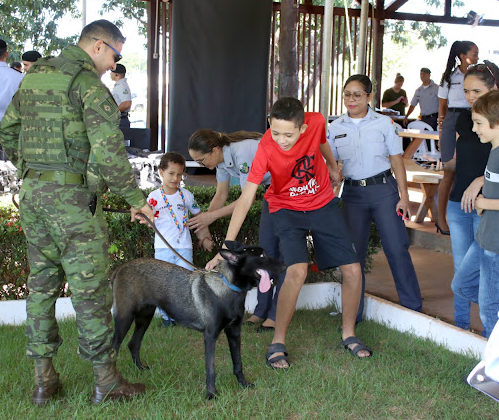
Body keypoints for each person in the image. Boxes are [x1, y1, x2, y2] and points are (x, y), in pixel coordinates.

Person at [0, 19, 154, 406]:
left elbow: (7, 132)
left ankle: (44, 380)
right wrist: (136, 200)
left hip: (33, 196)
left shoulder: (34, 78)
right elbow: (109, 152)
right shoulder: (87, 86)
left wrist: (33, 172)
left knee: (42, 286)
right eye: (115, 55)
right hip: (73, 203)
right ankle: (106, 381)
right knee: (90, 292)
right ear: (99, 46)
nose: (113, 64)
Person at [205, 97, 372, 369]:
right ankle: (277, 342)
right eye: (275, 131)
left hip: (322, 204)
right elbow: (247, 198)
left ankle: (349, 334)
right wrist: (227, 246)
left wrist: (331, 165)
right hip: (284, 208)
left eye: (288, 134)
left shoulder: (315, 121)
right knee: (296, 270)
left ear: (302, 128)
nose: (281, 140)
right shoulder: (266, 148)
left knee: (352, 269)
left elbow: (321, 141)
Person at [328, 74, 422, 320]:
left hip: (383, 191)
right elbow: (331, 164)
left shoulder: (383, 124)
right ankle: (353, 313)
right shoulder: (335, 127)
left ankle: (413, 310)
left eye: (357, 95)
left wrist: (404, 197)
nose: (351, 100)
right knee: (353, 256)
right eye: (347, 94)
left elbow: (396, 161)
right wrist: (333, 177)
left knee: (396, 248)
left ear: (369, 96)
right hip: (352, 195)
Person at [447, 61, 499, 331]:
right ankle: (467, 327)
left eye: (476, 91)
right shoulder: (475, 130)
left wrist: (481, 193)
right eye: (465, 90)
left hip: (493, 223)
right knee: (462, 277)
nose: (469, 97)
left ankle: (495, 338)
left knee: (489, 292)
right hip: (471, 217)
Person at [187, 128, 283, 332]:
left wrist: (223, 243)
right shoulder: (221, 159)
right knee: (266, 253)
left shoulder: (242, 151)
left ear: (214, 150)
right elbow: (220, 196)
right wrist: (204, 226)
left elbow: (247, 199)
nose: (201, 165)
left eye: (202, 160)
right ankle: (261, 310)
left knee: (280, 258)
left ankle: (276, 314)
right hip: (271, 194)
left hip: (286, 193)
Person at [147, 151, 212, 326]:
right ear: (161, 172)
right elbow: (146, 219)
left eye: (179, 174)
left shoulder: (187, 195)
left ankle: (186, 316)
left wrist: (205, 237)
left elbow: (200, 219)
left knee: (186, 283)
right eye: (171, 173)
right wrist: (146, 221)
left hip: (184, 247)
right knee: (164, 284)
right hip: (163, 248)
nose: (175, 178)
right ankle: (167, 318)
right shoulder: (153, 197)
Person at [435, 40, 479, 235]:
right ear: (463, 56)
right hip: (453, 120)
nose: (477, 57)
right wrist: (441, 130)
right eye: (474, 54)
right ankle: (441, 220)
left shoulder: (478, 76)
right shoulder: (449, 78)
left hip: (474, 119)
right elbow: (442, 107)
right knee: (449, 171)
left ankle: (469, 219)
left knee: (472, 170)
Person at [109, 63, 131, 129]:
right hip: (118, 119)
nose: (110, 74)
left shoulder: (122, 86)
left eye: (111, 72)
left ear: (116, 74)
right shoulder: (118, 86)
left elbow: (126, 104)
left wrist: (112, 113)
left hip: (121, 120)